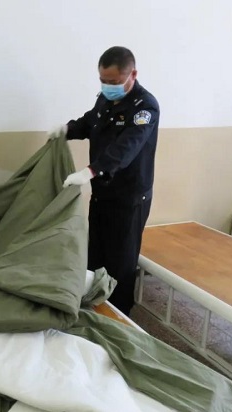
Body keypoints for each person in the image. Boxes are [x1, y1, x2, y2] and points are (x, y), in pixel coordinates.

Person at [52, 46, 159, 316]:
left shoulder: (145, 107)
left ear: (132, 74)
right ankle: (94, 306)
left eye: (113, 81)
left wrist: (90, 171)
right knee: (96, 254)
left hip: (129, 197)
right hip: (102, 193)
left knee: (121, 261)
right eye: (103, 80)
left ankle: (119, 315)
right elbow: (91, 122)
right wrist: (68, 129)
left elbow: (126, 148)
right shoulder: (105, 99)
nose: (108, 86)